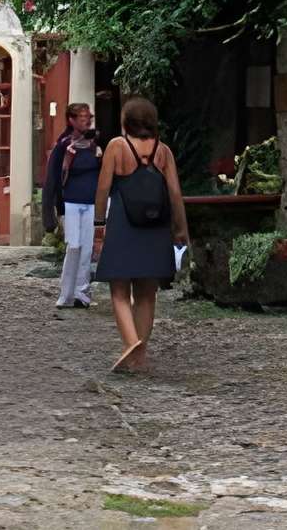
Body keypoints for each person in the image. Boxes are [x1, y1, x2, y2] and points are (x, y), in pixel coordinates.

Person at [91, 95, 188, 374]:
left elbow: (102, 189)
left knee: (119, 290)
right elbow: (175, 194)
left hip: (123, 222)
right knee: (147, 293)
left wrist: (99, 225)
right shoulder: (163, 151)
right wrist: (180, 229)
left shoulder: (116, 146)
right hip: (156, 225)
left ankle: (131, 342)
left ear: (126, 121)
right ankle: (139, 357)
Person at [45, 101, 102, 310]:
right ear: (72, 120)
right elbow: (53, 178)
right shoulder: (64, 144)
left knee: (87, 248)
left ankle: (82, 293)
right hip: (71, 203)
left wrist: (100, 157)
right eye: (82, 117)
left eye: (89, 117)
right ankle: (66, 293)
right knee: (74, 246)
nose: (87, 120)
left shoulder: (94, 143)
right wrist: (50, 212)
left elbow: (102, 172)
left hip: (90, 202)